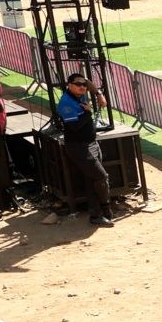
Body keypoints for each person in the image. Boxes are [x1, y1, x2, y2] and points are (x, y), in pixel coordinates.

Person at [55, 72, 112, 226]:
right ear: (69, 85)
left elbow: (87, 82)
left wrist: (99, 94)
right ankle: (105, 208)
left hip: (91, 143)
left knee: (92, 179)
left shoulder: (80, 94)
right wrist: (88, 112)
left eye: (84, 85)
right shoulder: (66, 103)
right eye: (78, 84)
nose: (83, 87)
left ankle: (96, 215)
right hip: (79, 147)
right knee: (101, 176)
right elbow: (74, 126)